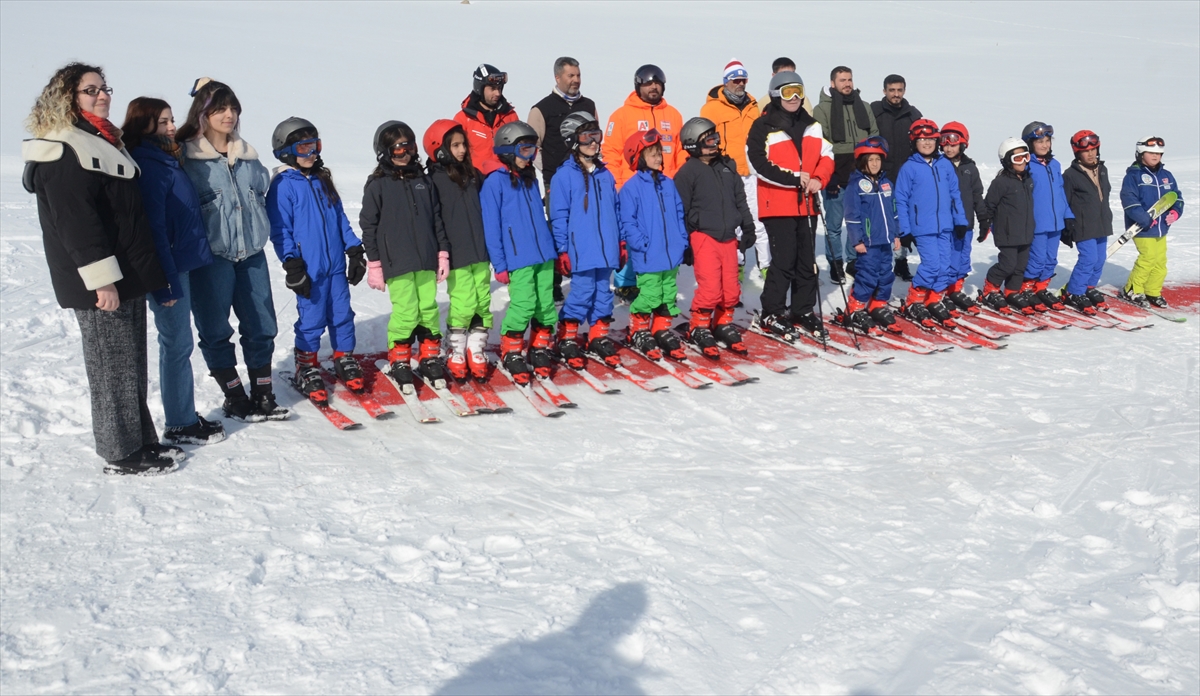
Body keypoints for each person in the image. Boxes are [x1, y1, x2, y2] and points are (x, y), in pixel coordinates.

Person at [22, 62, 181, 474]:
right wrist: (102, 280)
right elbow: (77, 224)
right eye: (90, 90)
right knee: (110, 369)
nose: (103, 95)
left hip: (126, 274)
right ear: (67, 98)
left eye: (104, 88)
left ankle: (142, 441)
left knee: (129, 365)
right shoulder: (63, 147)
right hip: (101, 282)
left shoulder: (103, 140)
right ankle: (119, 452)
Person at [178, 78, 286, 422]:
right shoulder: (187, 159)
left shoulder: (248, 158)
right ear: (203, 113)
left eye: (233, 107)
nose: (229, 115)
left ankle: (263, 393)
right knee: (214, 329)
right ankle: (235, 395)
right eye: (220, 108)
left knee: (262, 324)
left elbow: (262, 194)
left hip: (252, 253)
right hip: (211, 259)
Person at [122, 97, 224, 446]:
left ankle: (183, 415)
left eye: (170, 120)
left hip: (186, 264)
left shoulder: (166, 157)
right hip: (170, 271)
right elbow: (154, 228)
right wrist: (164, 283)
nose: (171, 127)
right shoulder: (149, 164)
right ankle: (180, 422)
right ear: (144, 124)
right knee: (176, 344)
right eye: (163, 121)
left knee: (181, 343)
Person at [266, 117, 365, 400]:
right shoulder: (283, 185)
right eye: (304, 147)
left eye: (315, 146)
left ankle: (344, 357)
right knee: (312, 319)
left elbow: (339, 219)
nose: (312, 153)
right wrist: (292, 263)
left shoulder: (322, 179)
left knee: (342, 314)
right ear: (287, 151)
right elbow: (280, 229)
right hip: (309, 269)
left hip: (334, 265)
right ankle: (306, 366)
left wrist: (354, 250)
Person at [746, 70, 835, 341]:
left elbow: (826, 154)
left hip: (807, 204)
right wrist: (795, 179)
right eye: (787, 92)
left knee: (806, 261)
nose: (794, 97)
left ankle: (802, 309)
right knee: (784, 260)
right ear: (775, 95)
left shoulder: (812, 124)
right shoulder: (763, 126)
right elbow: (757, 164)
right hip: (778, 204)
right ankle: (772, 310)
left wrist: (819, 178)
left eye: (798, 90)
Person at [362, 121, 450, 389]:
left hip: (424, 258)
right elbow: (369, 225)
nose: (406, 154)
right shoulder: (378, 184)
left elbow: (436, 218)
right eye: (398, 150)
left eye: (409, 147)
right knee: (407, 311)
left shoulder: (423, 181)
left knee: (428, 309)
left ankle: (429, 356)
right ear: (385, 152)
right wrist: (375, 263)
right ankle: (400, 357)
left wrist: (442, 253)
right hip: (396, 262)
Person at [481, 121, 558, 385]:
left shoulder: (529, 179)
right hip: (518, 258)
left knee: (546, 304)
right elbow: (491, 228)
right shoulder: (494, 183)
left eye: (533, 151)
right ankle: (511, 350)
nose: (530, 157)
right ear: (507, 150)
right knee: (524, 304)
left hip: (544, 255)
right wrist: (500, 264)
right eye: (525, 150)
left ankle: (538, 347)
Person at [673, 117, 757, 357]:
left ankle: (722, 323)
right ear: (692, 144)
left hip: (729, 237)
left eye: (716, 138)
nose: (715, 143)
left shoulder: (727, 166)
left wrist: (748, 226)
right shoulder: (688, 172)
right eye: (708, 140)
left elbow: (740, 199)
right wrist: (685, 241)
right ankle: (698, 326)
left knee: (731, 289)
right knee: (710, 288)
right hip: (703, 236)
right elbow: (682, 210)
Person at [602, 64, 686, 303]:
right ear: (638, 85)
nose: (653, 87)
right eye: (648, 83)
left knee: (662, 235)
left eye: (657, 83)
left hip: (665, 189)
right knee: (633, 238)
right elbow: (611, 152)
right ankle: (626, 283)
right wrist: (617, 185)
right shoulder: (621, 115)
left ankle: (661, 277)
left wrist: (678, 181)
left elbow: (680, 151)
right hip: (634, 189)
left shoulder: (674, 115)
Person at [549, 112, 623, 369]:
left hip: (607, 248)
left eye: (596, 135)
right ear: (572, 140)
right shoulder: (563, 177)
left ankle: (598, 335)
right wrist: (562, 250)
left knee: (604, 292)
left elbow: (617, 210)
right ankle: (567, 336)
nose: (594, 142)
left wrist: (621, 242)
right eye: (586, 136)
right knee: (582, 292)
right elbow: (558, 216)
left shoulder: (605, 174)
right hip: (581, 248)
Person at [423, 120, 493, 381]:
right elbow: (434, 220)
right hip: (457, 253)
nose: (462, 149)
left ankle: (476, 349)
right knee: (463, 302)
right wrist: (441, 251)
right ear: (438, 148)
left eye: (464, 144)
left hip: (480, 250)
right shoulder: (433, 181)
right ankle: (457, 350)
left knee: (483, 301)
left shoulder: (474, 175)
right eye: (455, 145)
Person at [528, 57, 599, 304]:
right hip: (554, 181)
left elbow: (596, 140)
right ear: (558, 77)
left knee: (584, 228)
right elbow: (531, 145)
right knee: (556, 229)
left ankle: (585, 276)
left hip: (585, 179)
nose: (576, 80)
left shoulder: (588, 104)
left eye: (578, 75)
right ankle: (554, 283)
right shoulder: (542, 108)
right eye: (570, 75)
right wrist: (550, 170)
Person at [618, 129, 689, 361]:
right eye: (652, 154)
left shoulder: (668, 184)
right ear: (637, 157)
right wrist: (641, 243)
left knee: (668, 294)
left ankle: (660, 329)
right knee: (649, 294)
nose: (658, 158)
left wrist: (681, 239)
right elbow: (627, 221)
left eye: (659, 153)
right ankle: (638, 329)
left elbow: (679, 213)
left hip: (670, 253)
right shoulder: (631, 188)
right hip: (648, 254)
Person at [893, 119, 970, 328]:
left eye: (931, 139)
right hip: (922, 227)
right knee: (931, 265)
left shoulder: (944, 165)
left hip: (945, 225)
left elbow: (955, 194)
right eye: (922, 140)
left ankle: (934, 300)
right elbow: (900, 199)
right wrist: (905, 230)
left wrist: (960, 221)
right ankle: (914, 301)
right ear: (914, 142)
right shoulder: (909, 168)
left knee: (945, 266)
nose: (927, 143)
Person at [700, 59, 768, 278]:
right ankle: (736, 265)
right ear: (726, 82)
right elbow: (705, 140)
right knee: (733, 222)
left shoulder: (753, 105)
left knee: (758, 221)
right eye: (735, 80)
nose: (740, 84)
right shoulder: (711, 108)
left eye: (743, 80)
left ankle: (766, 265)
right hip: (726, 172)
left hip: (752, 172)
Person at [813, 66, 879, 285]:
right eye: (842, 80)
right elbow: (820, 144)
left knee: (857, 221)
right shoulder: (821, 109)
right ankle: (835, 263)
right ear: (832, 83)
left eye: (849, 79)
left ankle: (853, 261)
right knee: (833, 224)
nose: (847, 83)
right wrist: (827, 174)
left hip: (860, 173)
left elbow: (874, 137)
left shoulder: (864, 106)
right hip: (834, 172)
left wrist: (871, 165)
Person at [842, 137, 902, 334]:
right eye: (870, 160)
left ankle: (877, 304)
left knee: (886, 275)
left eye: (878, 159)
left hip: (885, 241)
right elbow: (852, 216)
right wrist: (857, 240)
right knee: (867, 275)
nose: (875, 164)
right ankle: (856, 307)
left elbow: (893, 212)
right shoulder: (856, 185)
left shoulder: (887, 184)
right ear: (862, 161)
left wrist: (896, 234)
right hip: (867, 242)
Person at [1119, 136, 1185, 308]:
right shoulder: (1134, 176)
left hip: (1162, 229)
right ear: (1141, 153)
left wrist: (1175, 212)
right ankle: (1132, 290)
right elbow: (1130, 203)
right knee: (1147, 258)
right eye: (1151, 153)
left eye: (1159, 153)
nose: (1156, 156)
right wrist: (1145, 219)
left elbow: (1176, 197)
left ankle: (1152, 291)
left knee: (1160, 262)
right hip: (1142, 228)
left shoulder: (1166, 176)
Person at [1019, 121, 1074, 311]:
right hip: (1037, 222)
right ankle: (1026, 288)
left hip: (1056, 222)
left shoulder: (1055, 165)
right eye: (1039, 141)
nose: (1044, 145)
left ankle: (1041, 288)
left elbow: (1060, 193)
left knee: (1051, 259)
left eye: (1047, 140)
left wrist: (1068, 216)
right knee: (1037, 259)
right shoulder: (1027, 166)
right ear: (1029, 144)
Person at [977, 138, 1037, 315]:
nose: (1023, 162)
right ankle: (991, 289)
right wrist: (985, 224)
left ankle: (1012, 291)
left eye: (1026, 157)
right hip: (1008, 233)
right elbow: (989, 205)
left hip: (1025, 232)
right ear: (1006, 161)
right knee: (1007, 265)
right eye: (1017, 159)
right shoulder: (1000, 182)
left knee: (1020, 266)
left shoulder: (1027, 180)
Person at [871, 75, 922, 281]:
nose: (896, 94)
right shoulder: (875, 111)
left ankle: (901, 261)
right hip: (881, 174)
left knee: (902, 221)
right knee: (881, 221)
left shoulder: (913, 114)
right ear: (884, 91)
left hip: (906, 177)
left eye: (899, 90)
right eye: (892, 90)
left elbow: (923, 141)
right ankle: (877, 263)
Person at [1058, 130, 1113, 314]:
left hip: (1101, 222)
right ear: (1077, 153)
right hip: (1082, 224)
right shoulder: (1070, 175)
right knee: (1088, 259)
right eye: (1086, 151)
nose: (1091, 154)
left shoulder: (1102, 169)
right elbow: (1063, 201)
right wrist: (1066, 224)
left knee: (1100, 259)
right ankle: (1075, 292)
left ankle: (1089, 287)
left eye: (1094, 150)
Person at [939, 121, 984, 316]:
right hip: (946, 225)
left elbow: (977, 195)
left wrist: (984, 219)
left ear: (963, 144)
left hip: (966, 224)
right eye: (945, 144)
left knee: (963, 258)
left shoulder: (970, 168)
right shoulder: (938, 166)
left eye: (953, 143)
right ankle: (943, 292)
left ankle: (955, 290)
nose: (949, 148)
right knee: (947, 259)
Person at [454, 64, 518, 176]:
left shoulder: (510, 116)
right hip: (476, 181)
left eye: (499, 88)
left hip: (506, 180)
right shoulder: (463, 118)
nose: (497, 93)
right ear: (480, 88)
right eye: (492, 89)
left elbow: (520, 149)